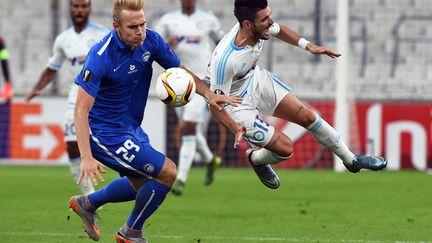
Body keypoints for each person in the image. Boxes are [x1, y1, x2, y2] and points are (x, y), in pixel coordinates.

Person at [68, 0, 241, 242]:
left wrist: (209, 94)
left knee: (142, 183)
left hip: (131, 128)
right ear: (116, 26)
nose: (140, 31)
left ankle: (88, 203)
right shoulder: (100, 56)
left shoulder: (151, 40)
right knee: (168, 172)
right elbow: (80, 111)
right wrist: (86, 157)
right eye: (132, 27)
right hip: (104, 133)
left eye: (142, 24)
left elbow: (180, 70)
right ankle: (131, 232)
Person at [207, 0, 388, 189]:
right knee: (285, 148)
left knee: (308, 116)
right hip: (234, 102)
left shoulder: (258, 26)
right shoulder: (227, 61)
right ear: (247, 25)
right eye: (266, 19)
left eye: (270, 15)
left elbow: (280, 29)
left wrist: (308, 46)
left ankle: (351, 160)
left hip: (253, 79)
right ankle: (257, 158)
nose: (271, 22)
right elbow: (215, 103)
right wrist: (235, 128)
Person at [25, 0, 109, 195]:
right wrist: (36, 89)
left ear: (89, 9)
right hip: (77, 92)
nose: (79, 10)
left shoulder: (102, 34)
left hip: (102, 92)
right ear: (70, 9)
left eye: (83, 6)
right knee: (72, 146)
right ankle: (89, 199)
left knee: (107, 141)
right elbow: (51, 68)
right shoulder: (63, 39)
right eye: (76, 6)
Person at [154, 0, 225, 195]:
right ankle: (210, 160)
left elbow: (223, 42)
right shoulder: (168, 21)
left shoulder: (208, 20)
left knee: (189, 127)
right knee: (189, 129)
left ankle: (181, 179)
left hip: (201, 81)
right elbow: (154, 46)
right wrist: (169, 44)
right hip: (177, 82)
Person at [0, 35, 13, 100]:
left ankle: (8, 90)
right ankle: (8, 89)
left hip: (2, 46)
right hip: (2, 44)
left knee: (5, 66)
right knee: (5, 66)